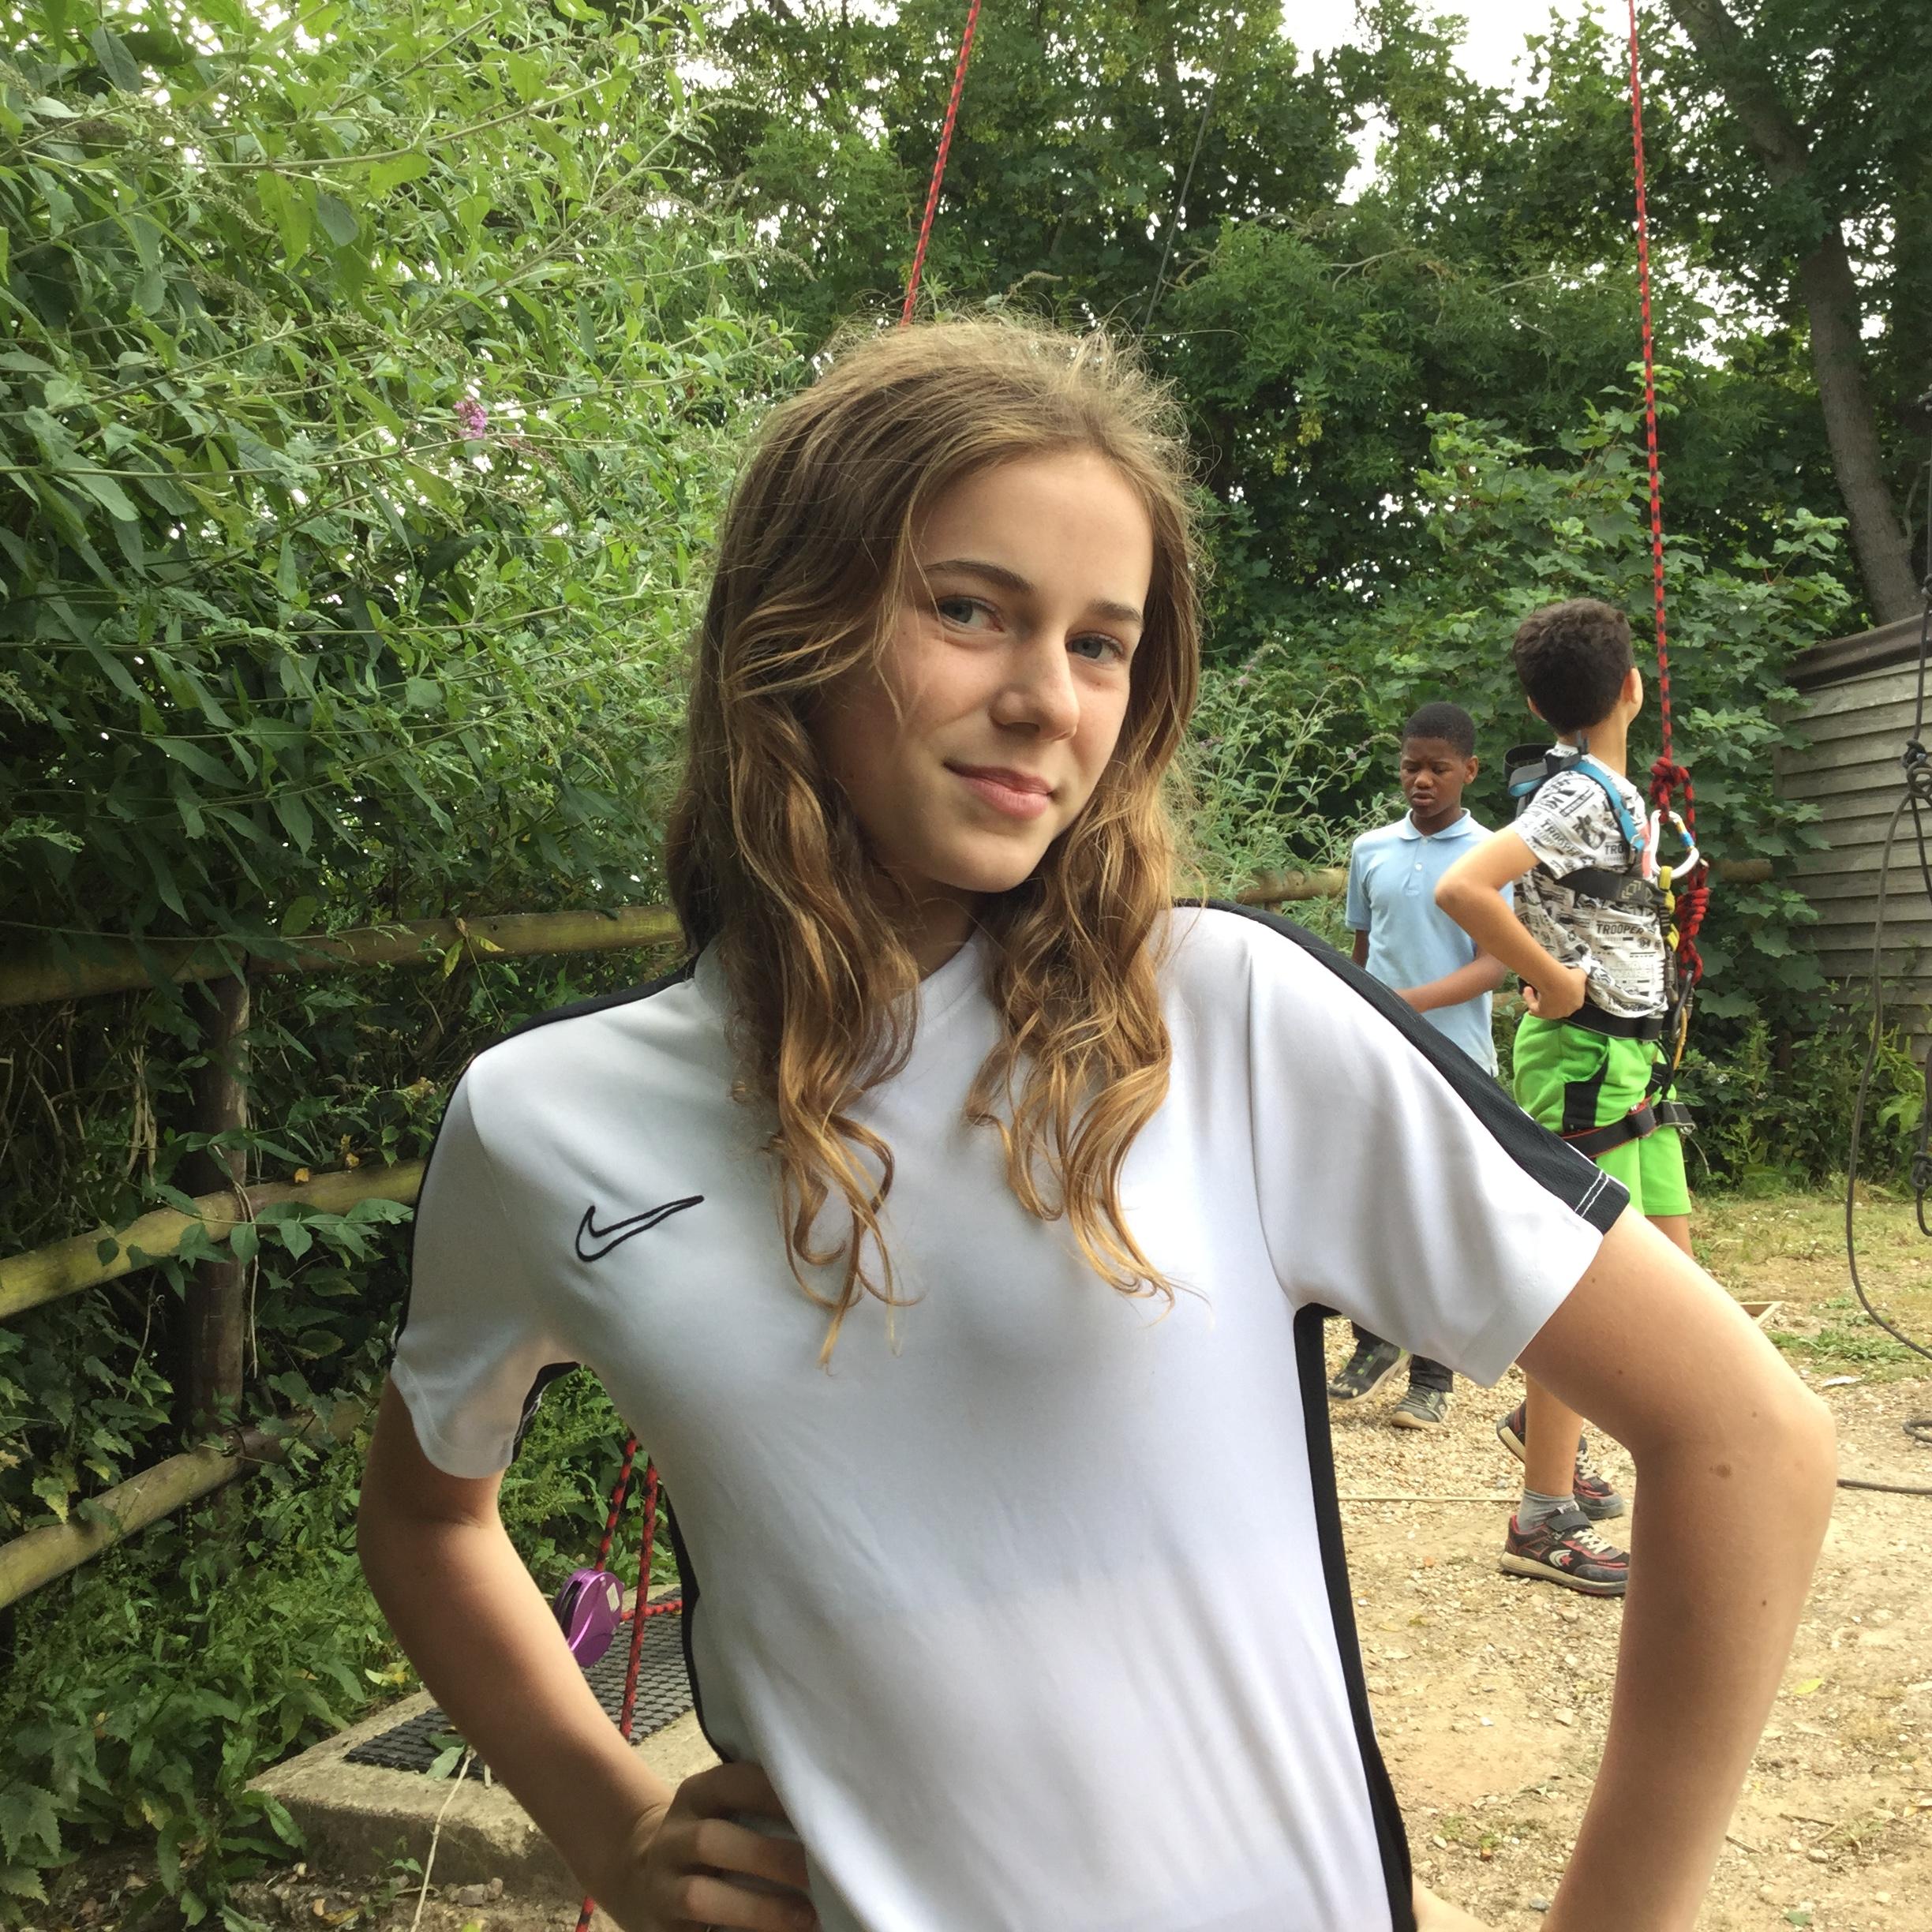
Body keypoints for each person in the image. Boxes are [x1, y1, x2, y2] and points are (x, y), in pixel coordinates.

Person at [357, 324, 1834, 1932]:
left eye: (1101, 643)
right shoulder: (546, 1123)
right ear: (789, 623)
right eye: (967, 608)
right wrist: (610, 1831)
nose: (1044, 699)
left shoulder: (1221, 1018)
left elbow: (1746, 1438)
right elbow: (427, 1520)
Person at [1436, 597, 1702, 1599]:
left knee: (1672, 1278)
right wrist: (1548, 976)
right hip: (1586, 1058)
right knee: (1580, 1280)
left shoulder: (1611, 793)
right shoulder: (1575, 796)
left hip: (1632, 1066)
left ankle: (1549, 1419)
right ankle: (1543, 1514)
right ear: (1632, 687)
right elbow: (1465, 888)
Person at [1330, 701, 1510, 1429]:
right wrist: (1358, 1013)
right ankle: (1373, 1340)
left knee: (1441, 1212)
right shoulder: (1371, 850)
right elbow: (1362, 953)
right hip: (1378, 1052)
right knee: (1367, 1202)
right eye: (1411, 767)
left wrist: (1409, 1003)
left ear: (1469, 770)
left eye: (1438, 768)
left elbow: (1496, 965)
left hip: (1456, 1059)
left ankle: (1433, 1378)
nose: (1422, 781)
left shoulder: (1492, 855)